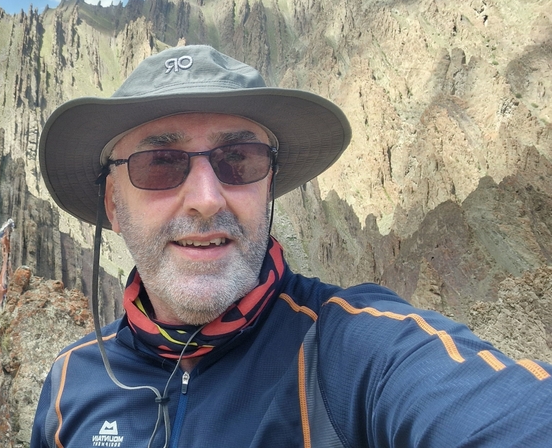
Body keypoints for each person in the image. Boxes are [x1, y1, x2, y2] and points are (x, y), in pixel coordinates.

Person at [31, 44, 552, 447]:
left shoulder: (352, 352)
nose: (206, 200)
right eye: (160, 164)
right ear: (114, 203)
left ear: (269, 186)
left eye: (239, 159)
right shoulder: (69, 386)